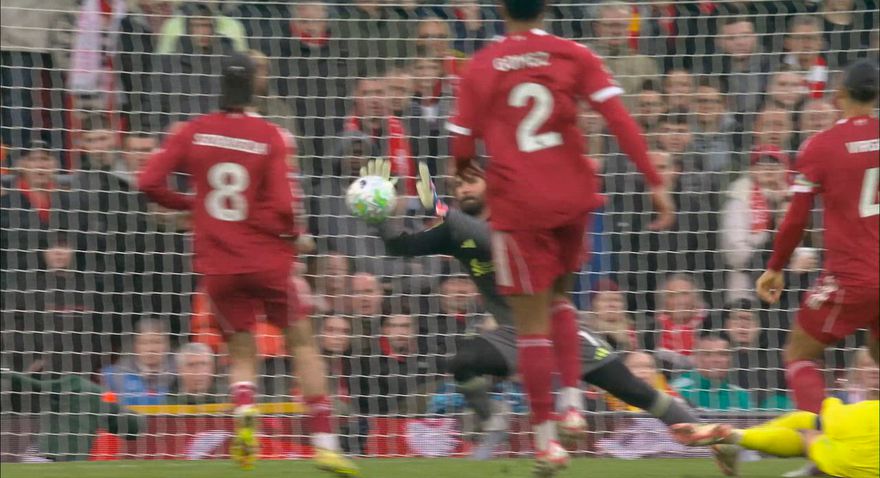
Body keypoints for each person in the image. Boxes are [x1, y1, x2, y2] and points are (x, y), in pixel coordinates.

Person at [446, 0, 674, 472]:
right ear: (546, 7)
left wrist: (466, 169)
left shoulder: (482, 65)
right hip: (573, 197)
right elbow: (619, 119)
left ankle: (547, 440)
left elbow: (462, 143)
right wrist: (654, 180)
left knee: (530, 327)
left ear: (501, 9)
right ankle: (572, 402)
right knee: (563, 301)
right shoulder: (574, 53)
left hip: (520, 205)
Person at [360, 159, 697, 465]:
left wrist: (439, 208)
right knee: (463, 362)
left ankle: (706, 434)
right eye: (457, 185)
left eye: (471, 181)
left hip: (558, 329)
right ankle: (494, 418)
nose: (464, 189)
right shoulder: (454, 230)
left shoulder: (518, 217)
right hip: (513, 335)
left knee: (634, 390)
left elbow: (492, 240)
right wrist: (380, 216)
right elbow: (401, 247)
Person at [138, 52, 357, 475]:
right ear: (257, 88)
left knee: (241, 348)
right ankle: (326, 444)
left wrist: (191, 206)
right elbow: (285, 206)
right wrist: (294, 237)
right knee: (303, 343)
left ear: (219, 86)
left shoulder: (193, 131)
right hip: (267, 259)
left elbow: (148, 181)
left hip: (219, 263)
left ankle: (244, 414)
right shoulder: (271, 136)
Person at [756, 59, 880, 416]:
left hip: (851, 276)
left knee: (799, 354)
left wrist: (775, 266)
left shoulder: (821, 146)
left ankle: (818, 443)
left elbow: (796, 218)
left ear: (839, 93)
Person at [673, 397, 879, 478]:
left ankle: (738, 437)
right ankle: (736, 439)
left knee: (810, 426)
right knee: (810, 432)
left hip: (863, 420)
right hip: (864, 455)